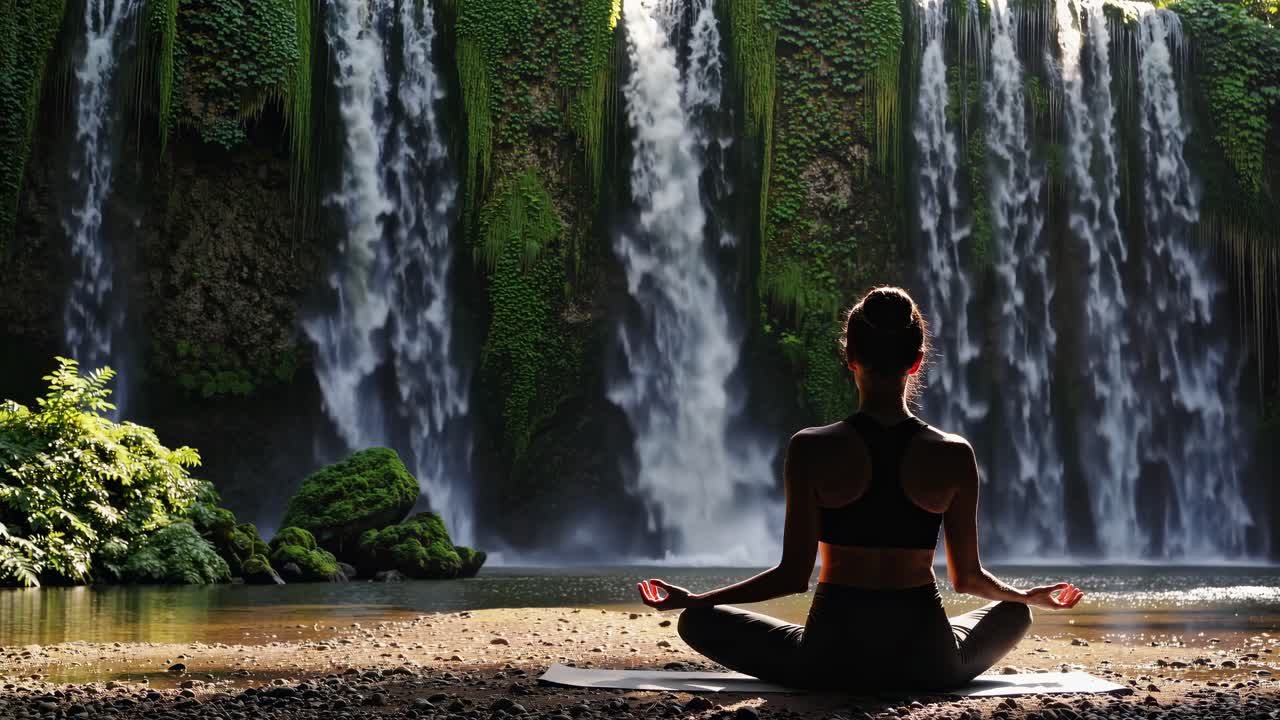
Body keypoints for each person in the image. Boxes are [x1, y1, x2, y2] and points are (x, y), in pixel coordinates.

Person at [635, 286, 1084, 691]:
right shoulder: (954, 453)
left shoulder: (811, 448)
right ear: (915, 361)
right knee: (1016, 612)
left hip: (827, 661)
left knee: (697, 622)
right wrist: (1029, 595)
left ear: (850, 358)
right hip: (927, 664)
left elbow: (793, 575)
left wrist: (696, 599)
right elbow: (967, 579)